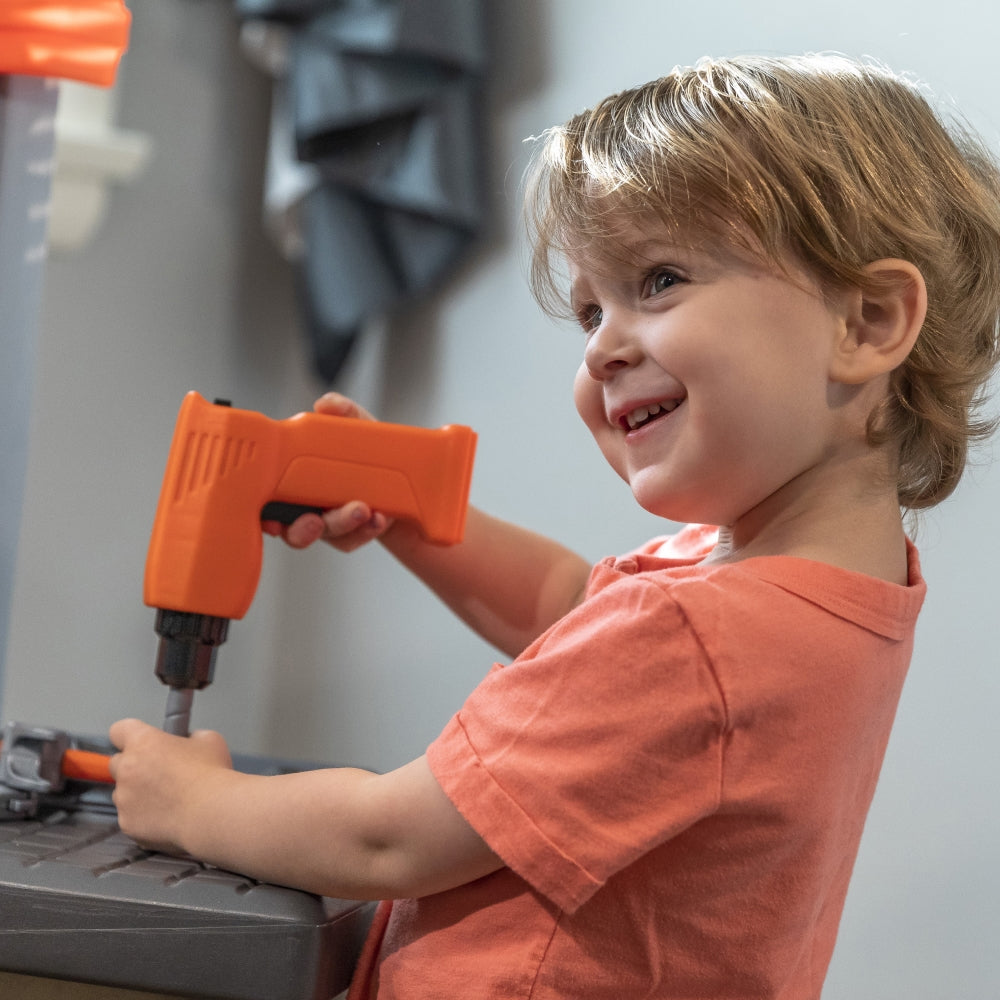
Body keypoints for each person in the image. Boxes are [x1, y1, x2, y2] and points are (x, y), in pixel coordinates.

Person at [109, 54, 1000, 998]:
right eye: (588, 310)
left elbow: (385, 837)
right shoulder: (822, 599)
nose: (603, 347)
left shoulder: (697, 635)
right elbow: (569, 607)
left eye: (659, 280)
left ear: (867, 321)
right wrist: (418, 519)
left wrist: (194, 802)